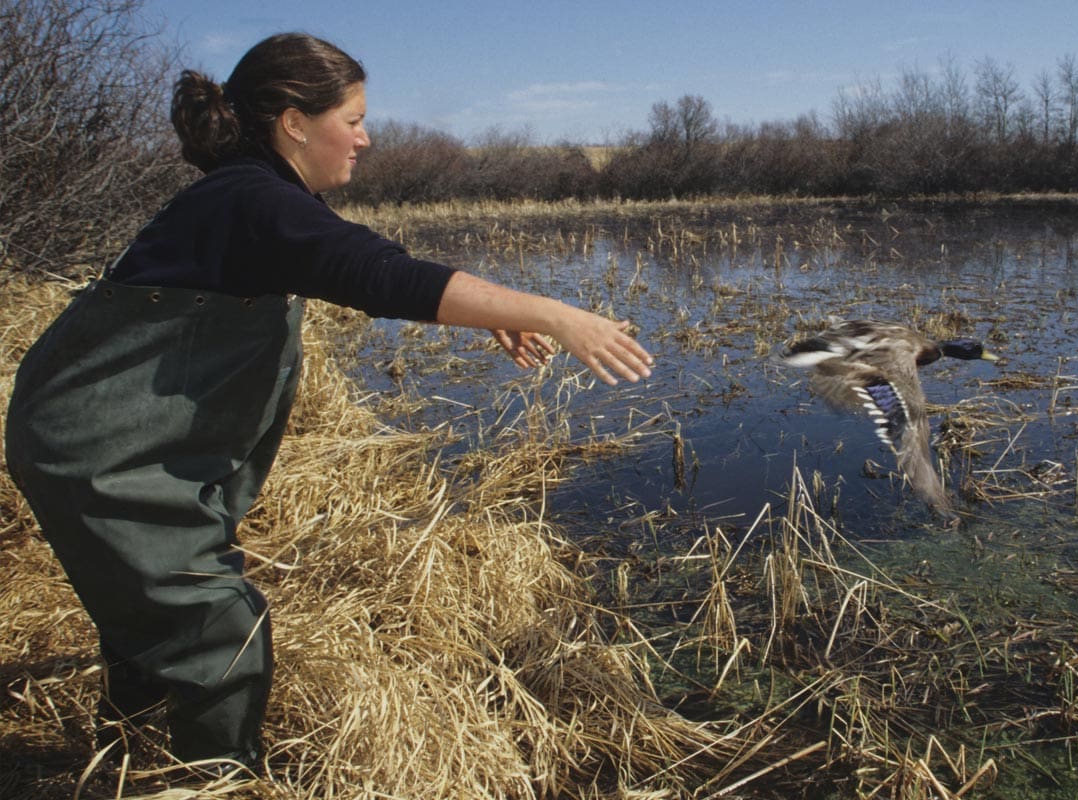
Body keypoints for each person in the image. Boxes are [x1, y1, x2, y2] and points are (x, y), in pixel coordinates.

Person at [4, 32, 652, 778]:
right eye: (352, 118)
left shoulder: (255, 196)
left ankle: (134, 759)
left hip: (118, 445)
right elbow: (373, 273)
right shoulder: (252, 199)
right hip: (101, 454)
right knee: (216, 628)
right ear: (292, 121)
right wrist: (551, 313)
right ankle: (210, 782)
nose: (366, 138)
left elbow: (367, 258)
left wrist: (495, 309)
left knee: (157, 611)